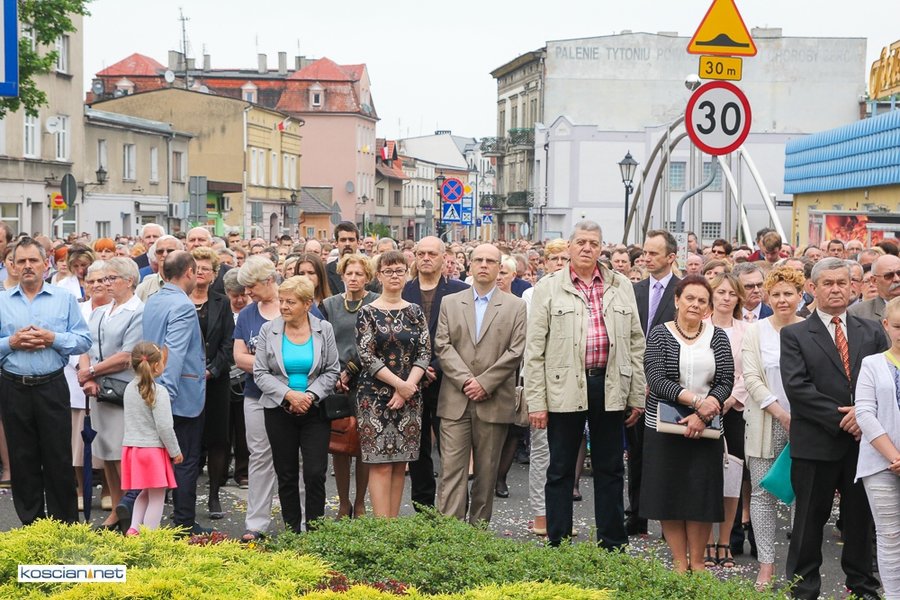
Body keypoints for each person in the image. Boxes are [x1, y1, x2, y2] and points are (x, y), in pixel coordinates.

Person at [526, 221, 646, 549]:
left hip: (610, 385)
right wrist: (536, 402)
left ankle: (612, 543)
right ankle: (559, 542)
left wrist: (636, 394)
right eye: (581, 242)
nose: (587, 248)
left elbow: (636, 342)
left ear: (601, 247)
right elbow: (534, 350)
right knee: (560, 468)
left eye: (593, 243)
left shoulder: (620, 285)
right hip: (563, 386)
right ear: (569, 246)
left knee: (611, 468)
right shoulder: (549, 287)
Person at [781, 257, 887, 600]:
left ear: (853, 286)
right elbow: (797, 388)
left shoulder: (871, 331)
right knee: (809, 523)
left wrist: (864, 415)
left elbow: (884, 379)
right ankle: (803, 589)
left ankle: (862, 587)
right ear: (812, 288)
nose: (836, 289)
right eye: (828, 283)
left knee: (860, 522)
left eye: (842, 282)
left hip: (863, 444)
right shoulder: (795, 334)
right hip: (816, 443)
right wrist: (845, 418)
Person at [640, 275, 734, 573]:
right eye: (690, 298)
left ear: (709, 308)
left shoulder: (718, 336)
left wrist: (703, 413)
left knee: (700, 497)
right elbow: (656, 379)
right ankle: (680, 561)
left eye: (702, 301)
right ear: (677, 300)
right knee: (667, 494)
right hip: (664, 427)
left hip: (706, 428)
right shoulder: (660, 334)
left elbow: (726, 380)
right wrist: (695, 402)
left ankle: (699, 560)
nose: (695, 304)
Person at [0, 238, 92, 524]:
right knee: (22, 458)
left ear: (45, 264)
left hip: (51, 385)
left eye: (33, 260)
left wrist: (54, 338)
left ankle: (64, 526)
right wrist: (11, 342)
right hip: (14, 386)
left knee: (58, 458)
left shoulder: (64, 299)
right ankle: (32, 526)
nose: (28, 266)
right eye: (21, 261)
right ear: (12, 266)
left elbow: (83, 340)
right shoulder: (2, 301)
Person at [434, 243, 526, 524]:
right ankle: (449, 535)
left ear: (500, 268)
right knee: (451, 472)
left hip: (493, 400)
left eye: (490, 261)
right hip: (455, 399)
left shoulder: (516, 306)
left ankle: (477, 536)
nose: (484, 265)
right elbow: (442, 345)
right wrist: (466, 381)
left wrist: (485, 383)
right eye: (478, 260)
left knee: (486, 475)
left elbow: (516, 351)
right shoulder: (450, 302)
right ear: (470, 265)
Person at [253, 276, 340, 533]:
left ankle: (315, 532)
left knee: (315, 473)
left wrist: (309, 396)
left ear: (307, 303)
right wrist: (289, 395)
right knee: (286, 474)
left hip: (315, 410)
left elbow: (332, 370)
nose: (284, 307)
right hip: (279, 410)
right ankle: (292, 532)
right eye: (282, 301)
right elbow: (260, 372)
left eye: (290, 302)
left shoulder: (324, 329)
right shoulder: (269, 330)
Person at [742, 266, 806, 590]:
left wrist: (800, 417)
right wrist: (782, 414)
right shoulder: (755, 332)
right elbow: (752, 378)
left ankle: (799, 566)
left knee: (801, 495)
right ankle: (765, 566)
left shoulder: (810, 329)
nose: (782, 299)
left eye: (788, 293)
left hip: (806, 425)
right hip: (767, 422)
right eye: (776, 294)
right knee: (762, 494)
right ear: (768, 297)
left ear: (800, 295)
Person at [356, 250, 431, 517]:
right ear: (379, 276)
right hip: (374, 397)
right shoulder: (367, 312)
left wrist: (407, 387)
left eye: (399, 270)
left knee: (400, 464)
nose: (394, 276)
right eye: (388, 271)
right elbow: (366, 355)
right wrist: (400, 385)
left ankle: (394, 526)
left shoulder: (415, 312)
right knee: (381, 465)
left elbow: (424, 352)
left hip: (410, 396)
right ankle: (382, 527)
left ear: (407, 274)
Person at [142, 250, 209, 536]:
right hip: (179, 394)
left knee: (156, 457)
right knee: (185, 460)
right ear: (189, 272)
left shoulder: (153, 300)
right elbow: (174, 353)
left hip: (152, 386)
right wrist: (165, 397)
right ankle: (183, 522)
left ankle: (142, 514)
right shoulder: (182, 305)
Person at [402, 237, 468, 509]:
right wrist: (416, 369)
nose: (426, 258)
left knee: (452, 449)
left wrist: (436, 366)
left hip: (448, 380)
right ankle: (423, 510)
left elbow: (464, 338)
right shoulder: (403, 290)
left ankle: (453, 509)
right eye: (421, 253)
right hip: (410, 381)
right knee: (416, 450)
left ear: (444, 258)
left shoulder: (460, 291)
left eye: (432, 253)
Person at [78, 257, 144, 529]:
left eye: (111, 278)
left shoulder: (138, 311)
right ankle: (117, 509)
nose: (105, 284)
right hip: (98, 392)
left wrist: (91, 371)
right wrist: (87, 376)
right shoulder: (101, 311)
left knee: (121, 454)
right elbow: (85, 345)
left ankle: (129, 510)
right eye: (104, 279)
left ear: (129, 281)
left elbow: (128, 355)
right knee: (106, 452)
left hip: (122, 391)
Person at [629, 229, 681, 536]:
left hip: (670, 383)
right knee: (636, 453)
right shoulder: (633, 290)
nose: (645, 258)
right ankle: (636, 515)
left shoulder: (682, 291)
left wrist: (658, 377)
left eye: (653, 253)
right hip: (636, 383)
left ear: (671, 257)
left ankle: (668, 520)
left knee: (667, 455)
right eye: (644, 252)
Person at [321, 254, 378, 518]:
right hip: (336, 381)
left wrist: (350, 371)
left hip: (368, 379)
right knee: (340, 443)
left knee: (364, 443)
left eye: (359, 274)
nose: (353, 278)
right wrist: (335, 374)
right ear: (342, 276)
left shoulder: (376, 302)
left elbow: (374, 341)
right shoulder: (329, 304)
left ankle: (361, 502)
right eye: (349, 273)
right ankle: (343, 503)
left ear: (368, 277)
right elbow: (323, 340)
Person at [234, 256, 283, 541]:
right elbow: (239, 357)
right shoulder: (248, 314)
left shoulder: (293, 303)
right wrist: (276, 365)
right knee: (260, 457)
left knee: (294, 458)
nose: (247, 292)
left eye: (251, 286)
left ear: (268, 280)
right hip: (256, 395)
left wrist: (261, 364)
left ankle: (300, 520)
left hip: (294, 396)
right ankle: (256, 523)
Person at [703, 273, 749, 569]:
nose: (726, 298)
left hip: (735, 410)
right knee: (705, 473)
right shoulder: (700, 327)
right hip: (703, 406)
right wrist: (709, 401)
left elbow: (750, 371)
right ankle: (705, 539)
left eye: (732, 293)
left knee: (732, 474)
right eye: (720, 292)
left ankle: (726, 541)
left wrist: (730, 399)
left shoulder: (748, 330)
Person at [855, 296, 900, 600]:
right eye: (898, 326)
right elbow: (864, 413)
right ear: (885, 325)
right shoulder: (872, 364)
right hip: (880, 463)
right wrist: (894, 457)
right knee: (889, 536)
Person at [524, 238, 568, 535]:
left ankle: (561, 515)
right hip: (541, 379)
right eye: (555, 259)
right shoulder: (532, 294)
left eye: (565, 259)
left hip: (570, 382)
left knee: (563, 452)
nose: (560, 265)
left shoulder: (577, 290)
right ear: (545, 263)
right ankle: (541, 513)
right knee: (542, 449)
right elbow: (532, 343)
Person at [189, 247, 235, 520]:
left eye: (206, 268)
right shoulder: (180, 300)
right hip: (185, 381)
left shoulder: (222, 302)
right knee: (187, 438)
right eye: (196, 268)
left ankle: (214, 494)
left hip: (216, 381)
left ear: (215, 274)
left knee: (218, 438)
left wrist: (212, 370)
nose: (200, 272)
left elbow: (229, 343)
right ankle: (183, 494)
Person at [120, 342, 183, 535]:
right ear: (157, 365)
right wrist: (175, 451)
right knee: (157, 496)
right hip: (153, 451)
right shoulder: (159, 391)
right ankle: (149, 537)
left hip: (133, 449)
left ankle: (134, 528)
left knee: (145, 492)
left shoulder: (129, 388)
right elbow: (164, 426)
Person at [223, 269, 250, 488]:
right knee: (224, 428)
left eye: (243, 295)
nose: (240, 300)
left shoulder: (250, 312)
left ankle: (243, 471)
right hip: (224, 375)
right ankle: (220, 470)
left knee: (243, 429)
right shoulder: (223, 311)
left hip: (245, 376)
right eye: (235, 296)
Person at [849, 253, 900, 342]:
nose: (897, 279)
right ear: (874, 280)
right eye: (889, 276)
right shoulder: (858, 314)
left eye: (899, 273)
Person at [326, 222, 361, 295]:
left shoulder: (367, 271)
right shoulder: (326, 271)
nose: (347, 244)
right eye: (343, 240)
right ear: (336, 243)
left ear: (358, 243)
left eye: (351, 240)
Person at [293, 252, 330, 317]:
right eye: (301, 273)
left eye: (311, 273)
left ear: (320, 275)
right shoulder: (291, 304)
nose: (306, 277)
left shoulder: (331, 304)